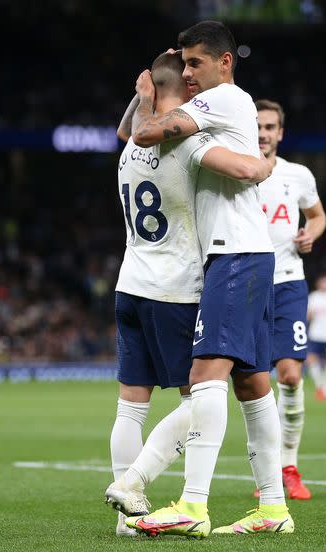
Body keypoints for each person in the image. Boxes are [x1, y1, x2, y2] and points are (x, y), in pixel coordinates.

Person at [123, 21, 293, 537]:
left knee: (204, 377)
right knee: (252, 384)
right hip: (244, 253)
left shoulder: (221, 98)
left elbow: (143, 132)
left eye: (197, 63)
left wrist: (149, 94)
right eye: (186, 65)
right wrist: (154, 91)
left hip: (233, 254)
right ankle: (273, 509)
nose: (191, 73)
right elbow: (133, 134)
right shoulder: (215, 107)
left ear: (225, 62)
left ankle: (193, 506)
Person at [254, 98, 326, 500]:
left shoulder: (298, 175)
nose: (263, 133)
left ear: (280, 132)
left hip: (288, 284)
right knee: (255, 384)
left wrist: (311, 233)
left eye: (270, 127)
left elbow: (317, 215)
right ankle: (265, 472)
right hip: (248, 285)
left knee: (291, 375)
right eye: (258, 126)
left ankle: (289, 468)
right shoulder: (237, 170)